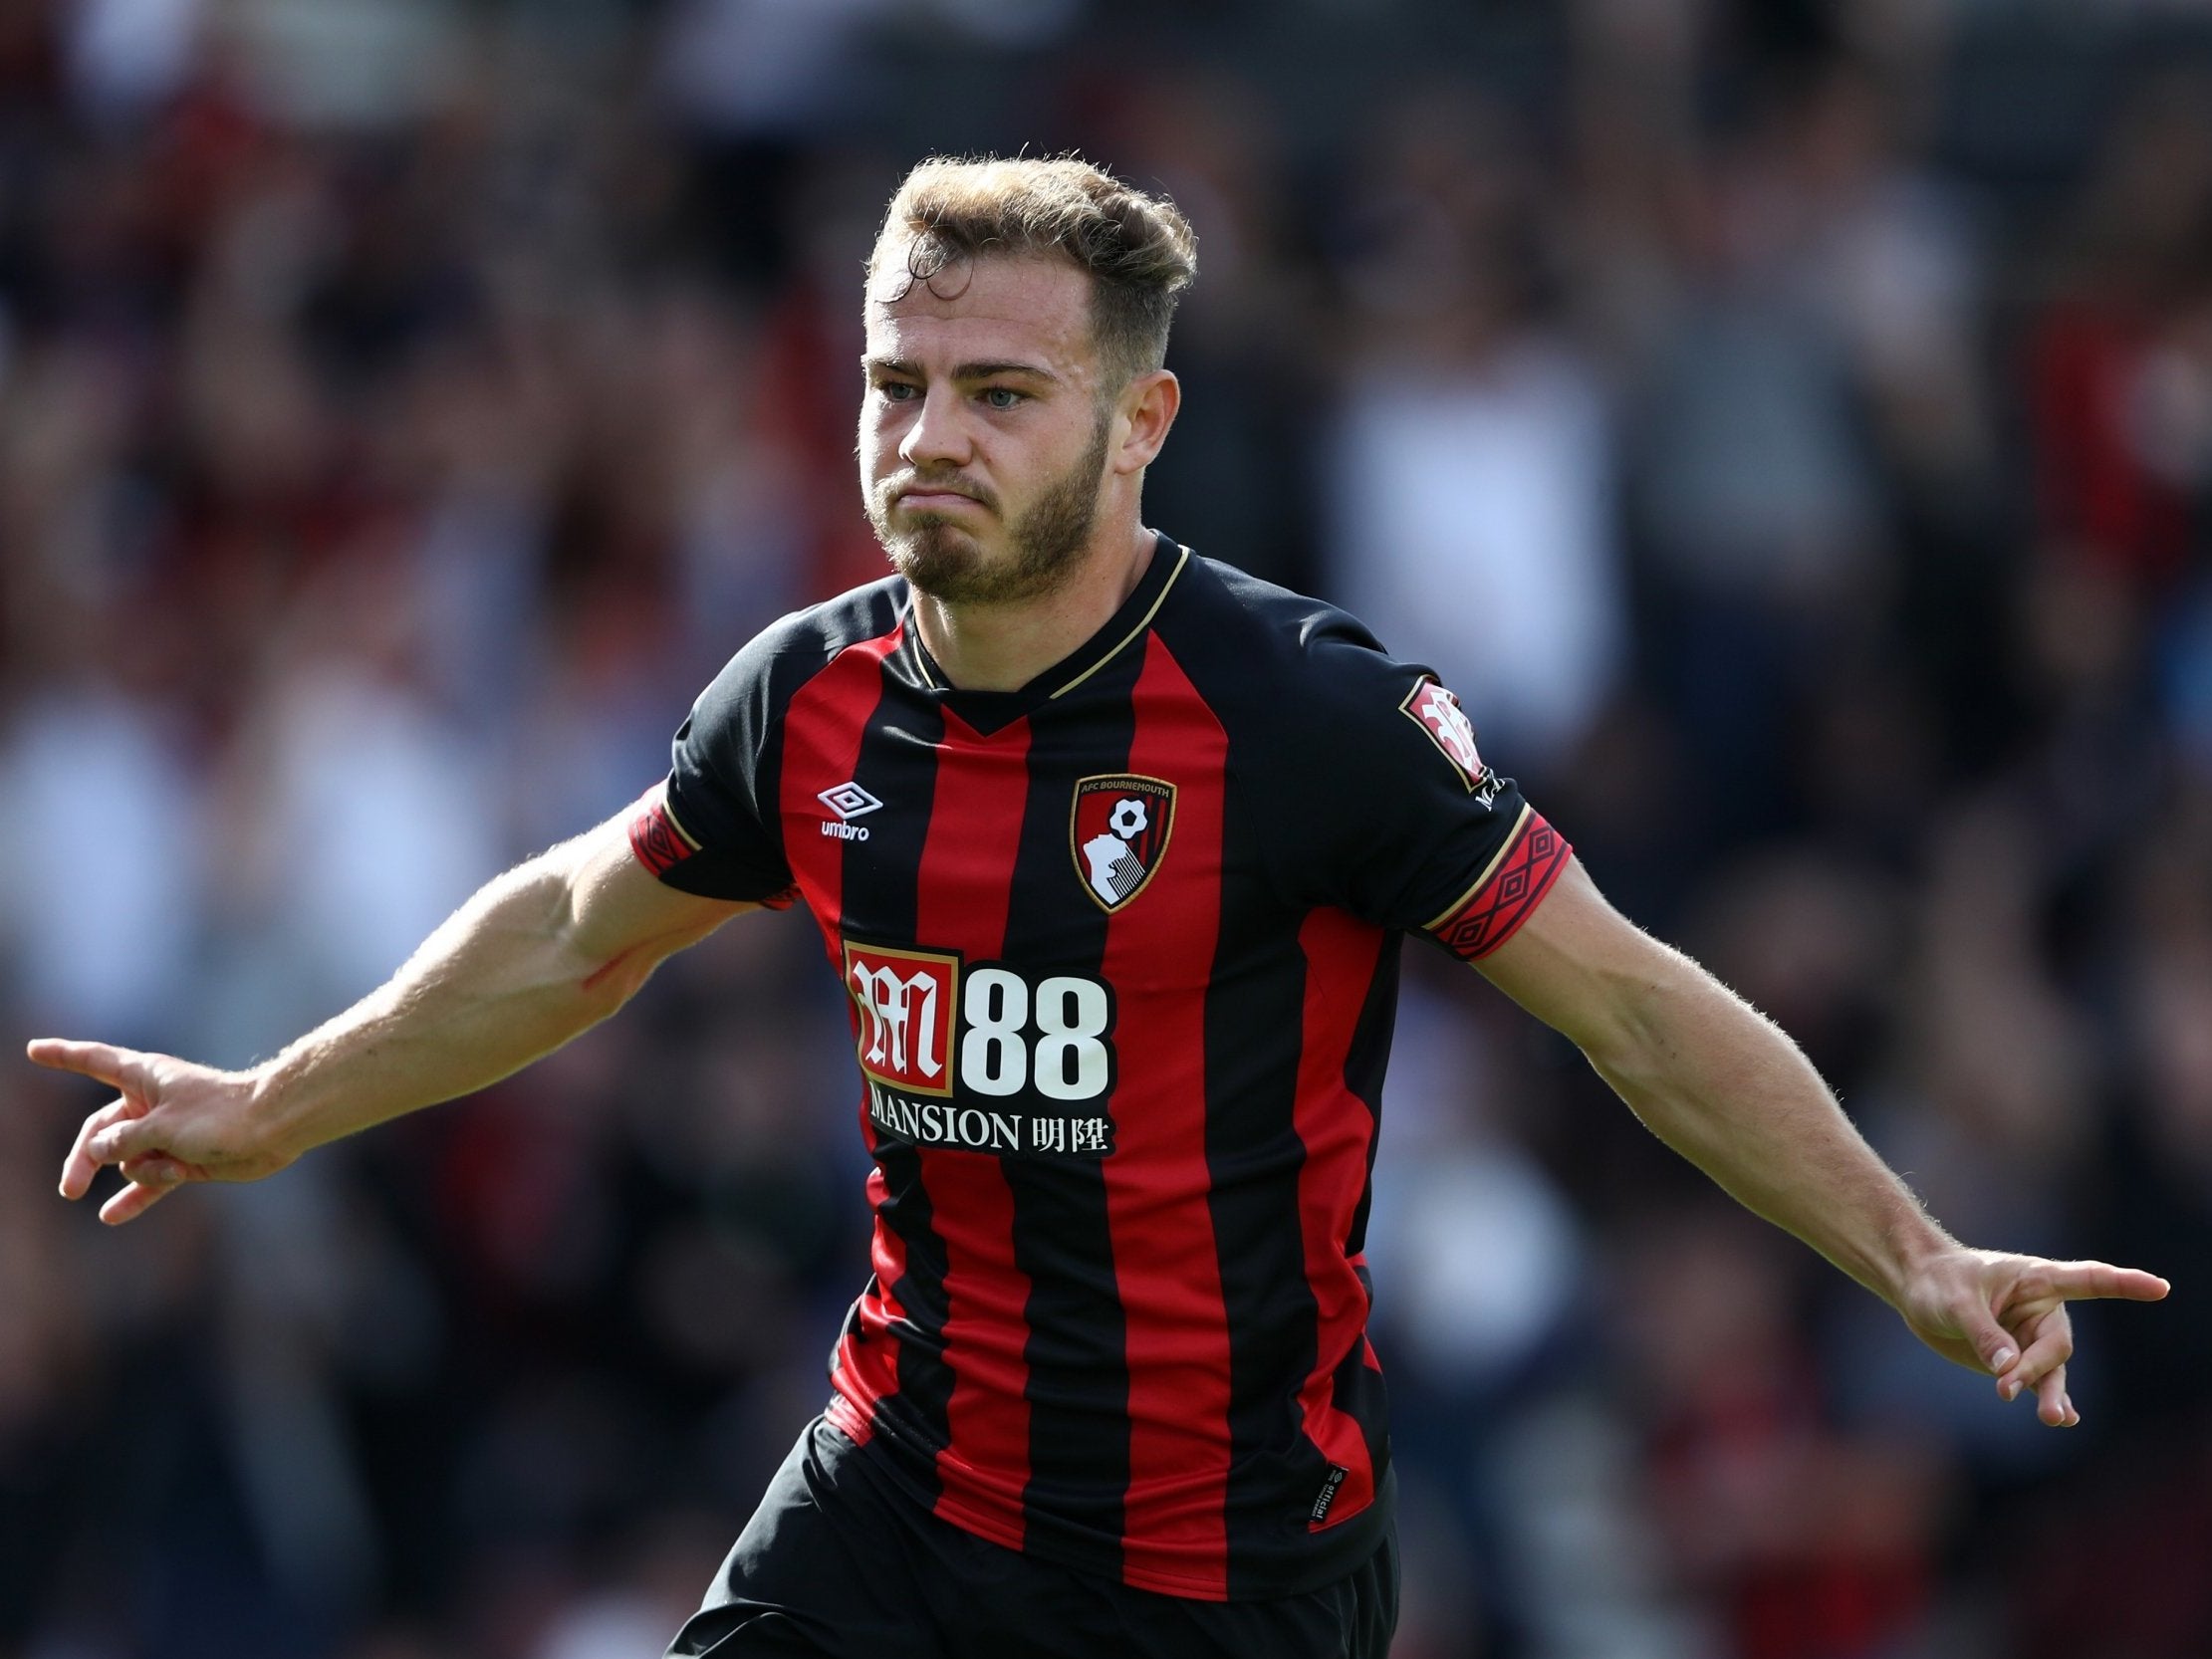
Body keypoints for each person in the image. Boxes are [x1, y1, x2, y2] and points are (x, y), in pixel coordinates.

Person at [28, 157, 2169, 1659]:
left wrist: (1908, 1247)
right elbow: (571, 926)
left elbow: (1627, 1005)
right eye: (892, 380)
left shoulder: (1300, 712)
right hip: (894, 1492)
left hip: (1216, 1567)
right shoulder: (811, 694)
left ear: (1138, 422)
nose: (924, 434)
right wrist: (275, 1102)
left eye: (995, 390)